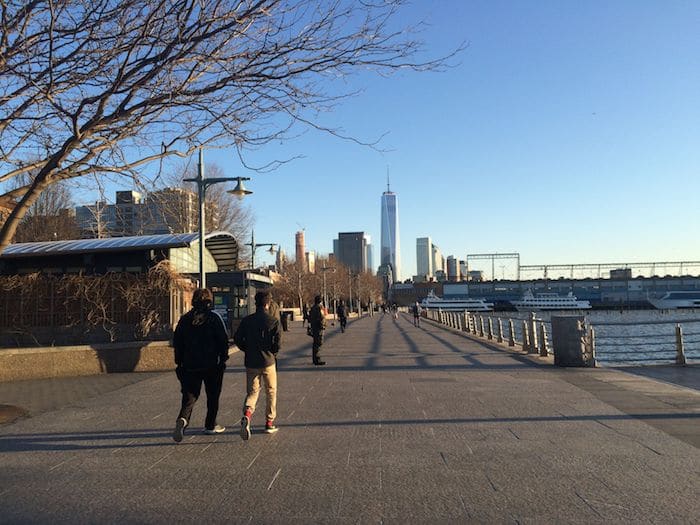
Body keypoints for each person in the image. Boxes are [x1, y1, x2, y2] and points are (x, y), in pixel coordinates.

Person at [172, 288, 229, 443]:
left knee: (189, 396)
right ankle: (210, 424)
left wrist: (180, 363)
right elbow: (223, 340)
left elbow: (177, 343)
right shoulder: (214, 318)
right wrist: (223, 358)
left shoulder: (184, 320)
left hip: (190, 365)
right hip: (212, 364)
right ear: (209, 301)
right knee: (213, 395)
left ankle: (183, 419)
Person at [234, 290, 281, 440]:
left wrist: (246, 348)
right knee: (271, 391)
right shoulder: (273, 321)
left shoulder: (247, 321)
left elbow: (237, 338)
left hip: (251, 362)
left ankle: (248, 414)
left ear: (256, 303)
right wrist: (272, 352)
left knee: (253, 392)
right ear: (268, 304)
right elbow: (278, 344)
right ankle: (269, 422)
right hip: (268, 361)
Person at [308, 295, 326, 365]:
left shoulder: (313, 308)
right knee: (318, 342)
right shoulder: (319, 308)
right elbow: (322, 317)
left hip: (314, 326)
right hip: (319, 327)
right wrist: (323, 325)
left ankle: (315, 358)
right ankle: (317, 359)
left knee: (315, 342)